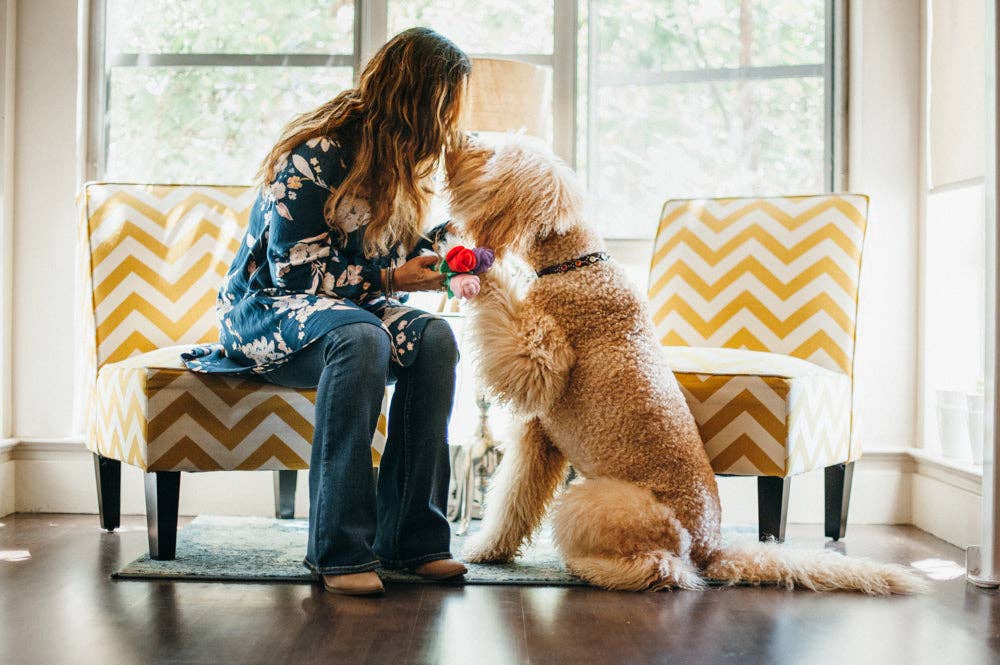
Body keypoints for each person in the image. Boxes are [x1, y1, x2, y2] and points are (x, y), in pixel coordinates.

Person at [182, 27, 471, 595]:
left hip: (350, 312)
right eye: (450, 101)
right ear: (421, 97)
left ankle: (413, 540)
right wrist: (390, 278)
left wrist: (441, 254)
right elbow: (295, 269)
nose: (456, 117)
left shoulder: (401, 164)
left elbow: (388, 247)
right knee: (361, 338)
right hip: (265, 312)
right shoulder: (313, 153)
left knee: (434, 339)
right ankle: (338, 551)